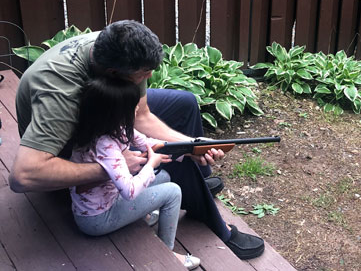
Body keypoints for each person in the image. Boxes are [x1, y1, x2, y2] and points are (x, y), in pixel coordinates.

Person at [9, 20, 264, 260]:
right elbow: (24, 176)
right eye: (143, 75)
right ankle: (217, 224)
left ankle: (200, 178)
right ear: (113, 73)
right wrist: (110, 169)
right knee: (172, 161)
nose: (147, 79)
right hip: (69, 143)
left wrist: (194, 144)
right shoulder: (61, 92)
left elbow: (141, 117)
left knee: (185, 106)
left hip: (101, 104)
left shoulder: (121, 50)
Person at [70, 76, 201, 269]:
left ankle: (145, 217)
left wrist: (189, 149)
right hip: (97, 219)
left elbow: (148, 143)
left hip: (107, 200)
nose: (137, 109)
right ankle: (170, 257)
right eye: (133, 106)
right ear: (118, 114)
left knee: (163, 177)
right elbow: (129, 191)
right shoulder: (106, 146)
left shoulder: (114, 129)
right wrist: (151, 164)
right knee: (173, 192)